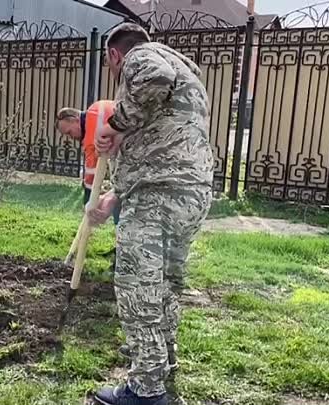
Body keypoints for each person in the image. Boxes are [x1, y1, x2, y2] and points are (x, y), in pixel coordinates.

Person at [86, 23, 214, 405]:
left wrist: (114, 123)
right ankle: (162, 356)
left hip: (158, 195)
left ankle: (145, 388)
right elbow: (159, 137)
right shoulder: (186, 72)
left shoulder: (141, 58)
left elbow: (153, 79)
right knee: (167, 280)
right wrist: (115, 194)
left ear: (114, 54)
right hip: (191, 192)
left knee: (137, 286)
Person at [55, 102, 122, 265]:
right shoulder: (94, 115)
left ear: (75, 119)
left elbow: (93, 164)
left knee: (122, 206)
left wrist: (89, 199)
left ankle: (122, 254)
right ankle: (121, 248)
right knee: (119, 203)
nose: (71, 137)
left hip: (132, 156)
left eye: (69, 132)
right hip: (124, 156)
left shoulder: (94, 118)